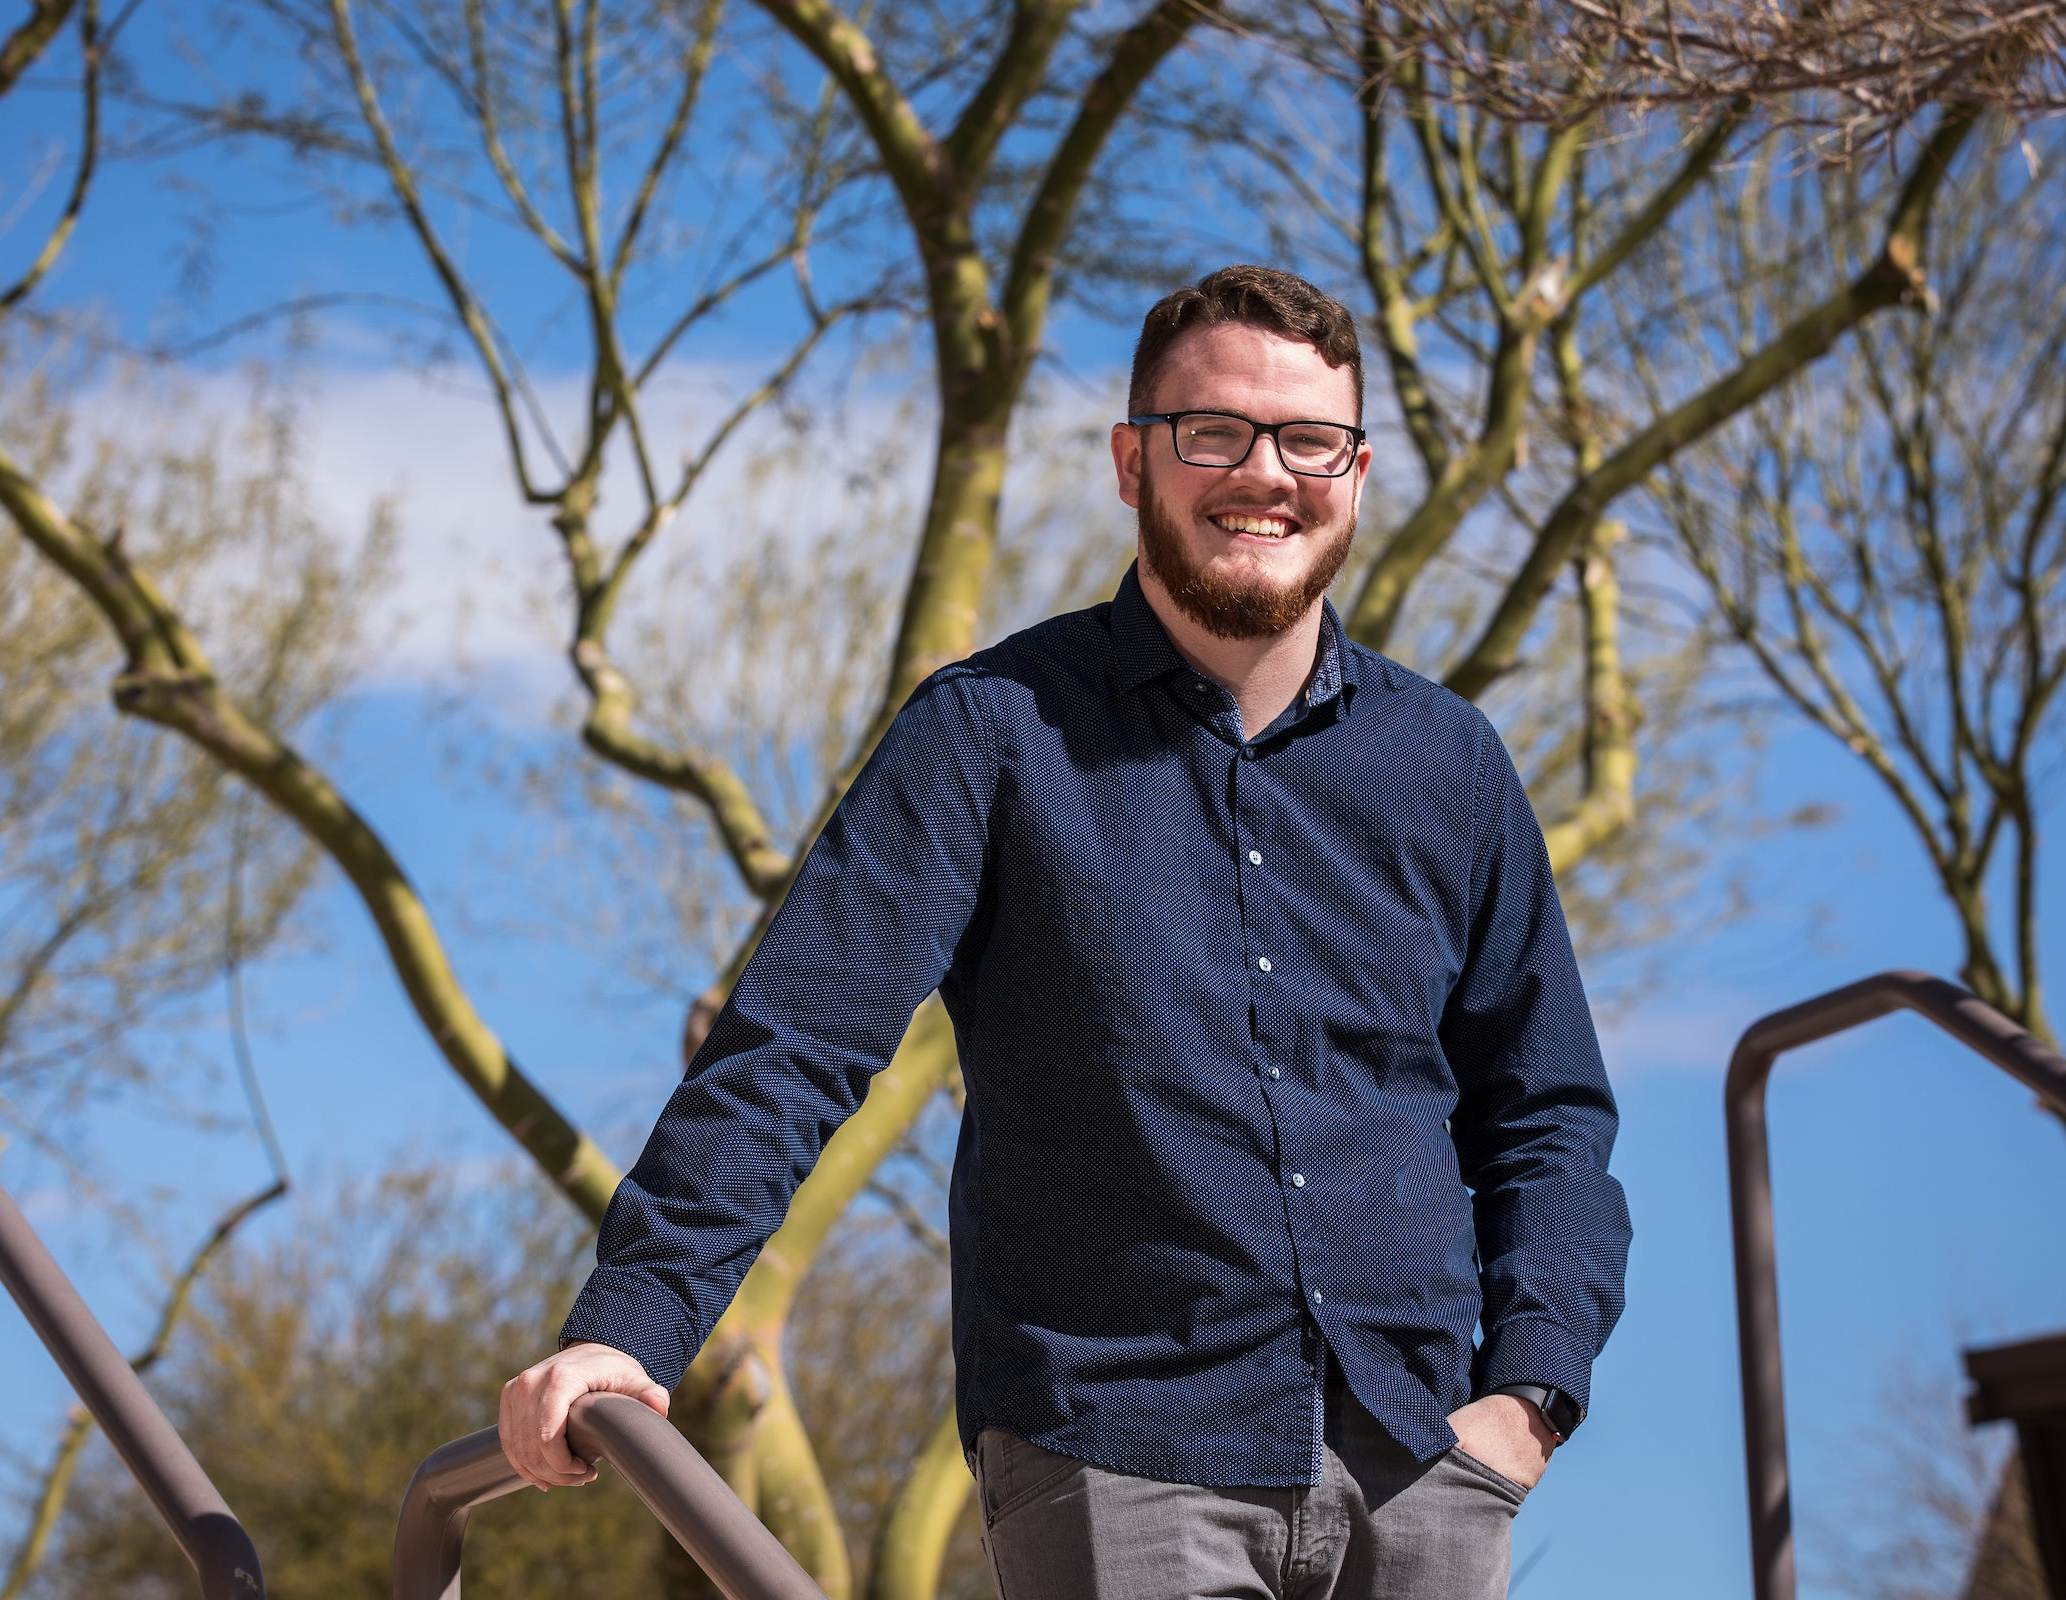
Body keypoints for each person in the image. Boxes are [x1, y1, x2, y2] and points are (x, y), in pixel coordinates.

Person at [498, 264, 1631, 1600]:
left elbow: (1547, 1111)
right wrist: (630, 1323)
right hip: (1123, 1465)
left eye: (1307, 440)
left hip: (1428, 1469)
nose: (1263, 472)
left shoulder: (1451, 763)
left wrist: (1533, 1391)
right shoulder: (988, 730)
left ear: (1359, 470)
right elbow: (795, 1043)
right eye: (1213, 432)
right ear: (1129, 460)